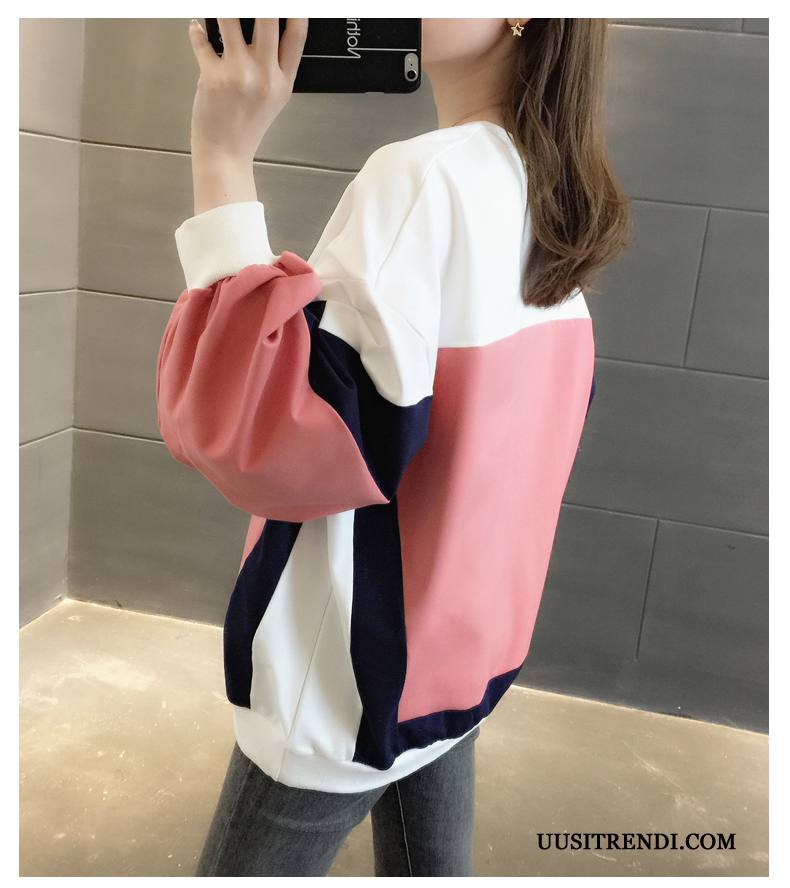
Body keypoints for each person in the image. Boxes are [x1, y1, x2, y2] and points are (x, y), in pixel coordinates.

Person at [155, 17, 630, 877]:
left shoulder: (422, 179)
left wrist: (222, 155)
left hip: (347, 683)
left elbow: (265, 437)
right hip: (455, 660)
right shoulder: (547, 188)